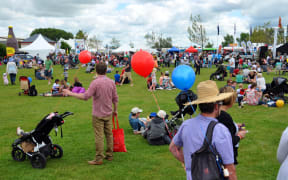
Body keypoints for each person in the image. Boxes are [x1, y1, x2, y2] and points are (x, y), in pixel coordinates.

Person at [169, 80, 237, 180]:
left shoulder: (186, 125)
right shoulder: (220, 130)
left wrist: (189, 164)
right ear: (216, 105)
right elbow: (230, 168)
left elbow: (173, 148)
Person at [63, 62, 118, 165]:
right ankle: (109, 155)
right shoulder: (111, 82)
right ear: (106, 70)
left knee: (100, 136)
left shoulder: (95, 83)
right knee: (109, 134)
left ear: (96, 71)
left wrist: (70, 93)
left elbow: (85, 97)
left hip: (98, 114)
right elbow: (115, 99)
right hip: (108, 113)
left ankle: (99, 159)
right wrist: (115, 110)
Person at [217, 86, 247, 165]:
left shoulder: (215, 112)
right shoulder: (224, 117)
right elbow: (228, 141)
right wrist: (240, 136)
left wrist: (234, 125)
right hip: (225, 158)